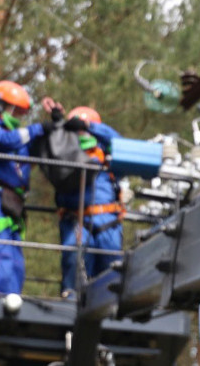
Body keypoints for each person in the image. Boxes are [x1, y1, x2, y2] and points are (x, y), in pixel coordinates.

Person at [0, 80, 55, 294]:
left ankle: (12, 299)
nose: (19, 116)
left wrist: (56, 122)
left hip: (12, 203)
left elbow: (36, 146)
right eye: (16, 110)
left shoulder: (20, 141)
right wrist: (37, 128)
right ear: (0, 105)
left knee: (15, 261)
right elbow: (5, 140)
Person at [48, 103, 124, 299]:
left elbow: (122, 143)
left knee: (112, 269)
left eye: (85, 129)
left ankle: (110, 308)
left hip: (108, 223)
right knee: (74, 261)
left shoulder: (108, 153)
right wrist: (60, 124)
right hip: (77, 221)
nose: (82, 133)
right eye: (78, 129)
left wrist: (90, 126)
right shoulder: (64, 152)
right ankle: (70, 303)